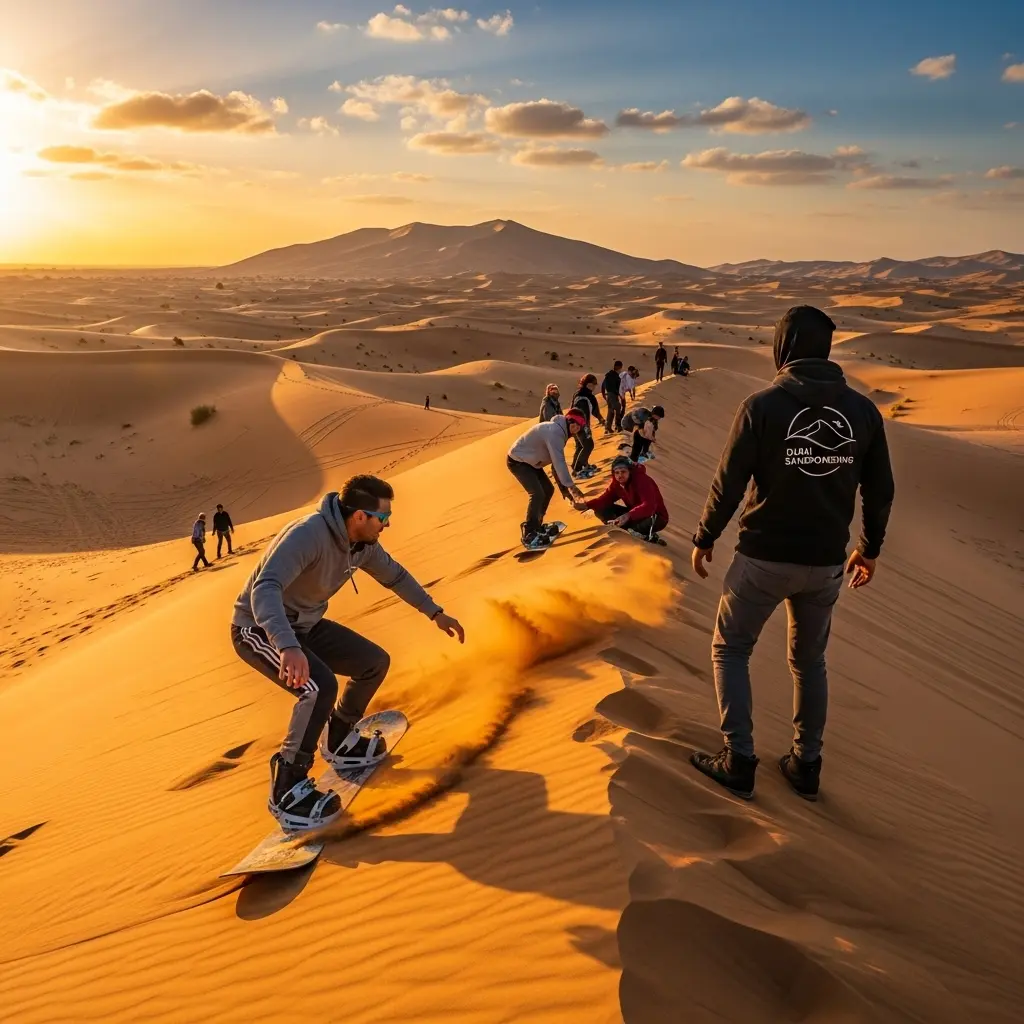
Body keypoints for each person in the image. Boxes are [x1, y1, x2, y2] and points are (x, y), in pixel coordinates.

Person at [688, 305, 895, 802]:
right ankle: (806, 765)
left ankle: (738, 759)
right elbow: (881, 490)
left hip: (762, 558)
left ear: (783, 346)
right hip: (824, 565)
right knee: (809, 663)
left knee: (731, 648)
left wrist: (704, 535)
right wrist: (868, 550)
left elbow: (729, 482)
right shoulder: (863, 411)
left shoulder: (762, 406)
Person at [231, 475, 465, 832]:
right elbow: (265, 588)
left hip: (304, 627)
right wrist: (287, 645)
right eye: (383, 518)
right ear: (359, 516)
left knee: (373, 662)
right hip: (259, 628)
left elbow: (396, 577)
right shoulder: (308, 535)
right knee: (318, 687)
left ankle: (339, 739)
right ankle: (287, 786)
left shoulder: (362, 545)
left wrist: (435, 612)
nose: (388, 524)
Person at [507, 409, 587, 548]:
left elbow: (556, 467)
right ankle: (529, 532)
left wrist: (565, 490)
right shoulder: (555, 432)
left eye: (579, 426)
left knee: (548, 490)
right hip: (518, 461)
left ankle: (537, 524)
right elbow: (559, 462)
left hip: (531, 463)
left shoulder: (559, 431)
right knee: (537, 493)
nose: (576, 429)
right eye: (574, 424)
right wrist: (571, 487)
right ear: (568, 421)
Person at [574, 455, 669, 543]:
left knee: (633, 533)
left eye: (623, 471)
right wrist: (587, 505)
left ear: (630, 471)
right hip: (634, 515)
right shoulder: (617, 484)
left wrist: (628, 515)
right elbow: (605, 499)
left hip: (656, 517)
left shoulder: (642, 480)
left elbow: (649, 506)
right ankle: (624, 529)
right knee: (600, 509)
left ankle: (643, 534)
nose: (620, 475)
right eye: (617, 473)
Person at [569, 374, 601, 478]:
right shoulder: (585, 396)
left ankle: (579, 466)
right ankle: (578, 469)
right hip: (580, 425)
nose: (594, 387)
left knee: (580, 446)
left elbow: (594, 410)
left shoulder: (580, 394)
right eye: (592, 384)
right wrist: (584, 425)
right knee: (588, 445)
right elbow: (588, 410)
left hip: (574, 424)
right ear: (587, 384)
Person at [601, 361, 624, 433]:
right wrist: (621, 396)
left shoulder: (608, 375)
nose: (621, 369)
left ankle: (607, 427)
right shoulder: (616, 376)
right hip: (613, 395)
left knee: (611, 411)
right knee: (618, 408)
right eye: (620, 368)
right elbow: (618, 388)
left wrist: (604, 394)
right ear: (618, 367)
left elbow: (603, 385)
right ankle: (618, 426)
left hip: (609, 395)